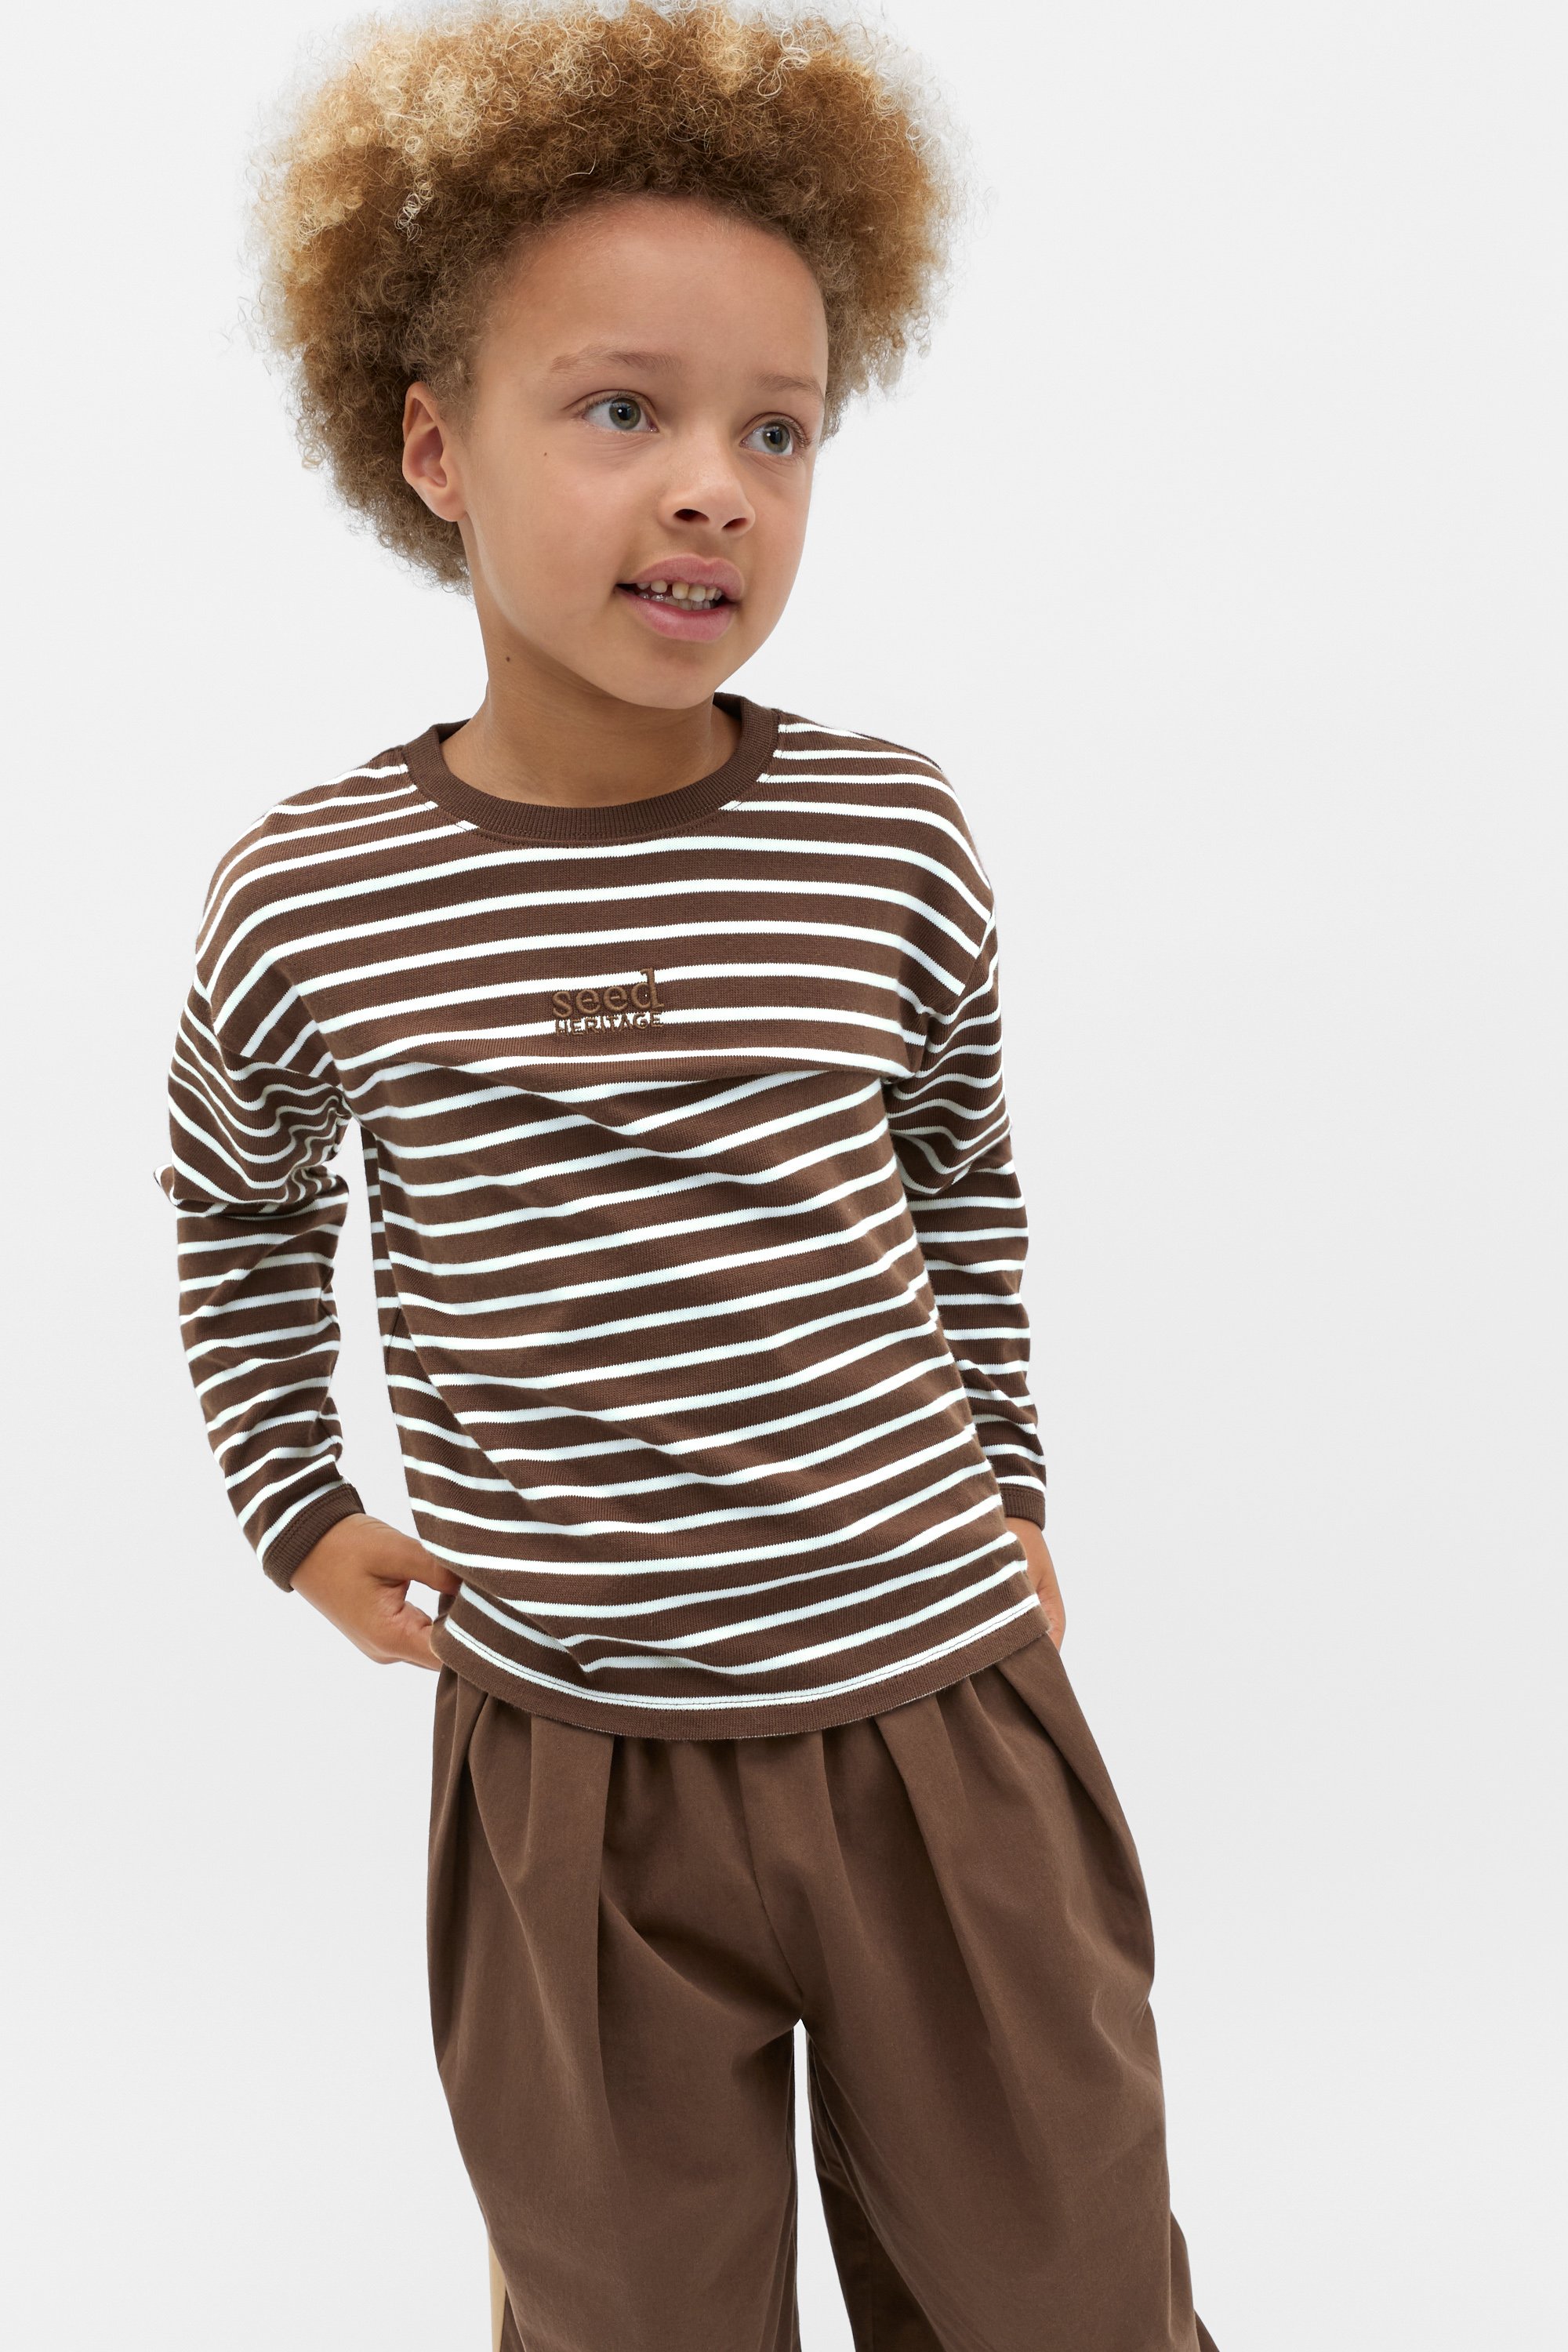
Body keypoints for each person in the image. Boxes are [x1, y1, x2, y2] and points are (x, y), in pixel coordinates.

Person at [158, 5, 1218, 2345]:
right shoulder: (313, 896)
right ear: (433, 446)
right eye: (622, 411)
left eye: (778, 429)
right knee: (625, 2311)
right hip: (572, 1770)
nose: (716, 488)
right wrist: (293, 1505)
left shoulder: (882, 831)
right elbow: (240, 1204)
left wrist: (1014, 1477)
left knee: (1061, 2285)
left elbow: (958, 1172)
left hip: (935, 1713)